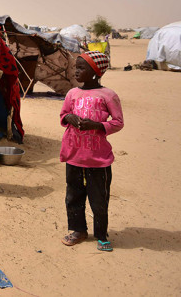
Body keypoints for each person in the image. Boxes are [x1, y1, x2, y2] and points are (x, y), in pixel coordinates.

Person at [59, 51, 124, 252]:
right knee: (73, 196)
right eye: (75, 67)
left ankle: (102, 235)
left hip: (98, 159)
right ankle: (78, 230)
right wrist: (69, 118)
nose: (76, 71)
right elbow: (63, 114)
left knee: (99, 198)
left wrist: (96, 125)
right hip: (74, 155)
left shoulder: (108, 95)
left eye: (81, 68)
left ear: (95, 71)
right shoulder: (72, 93)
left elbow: (118, 122)